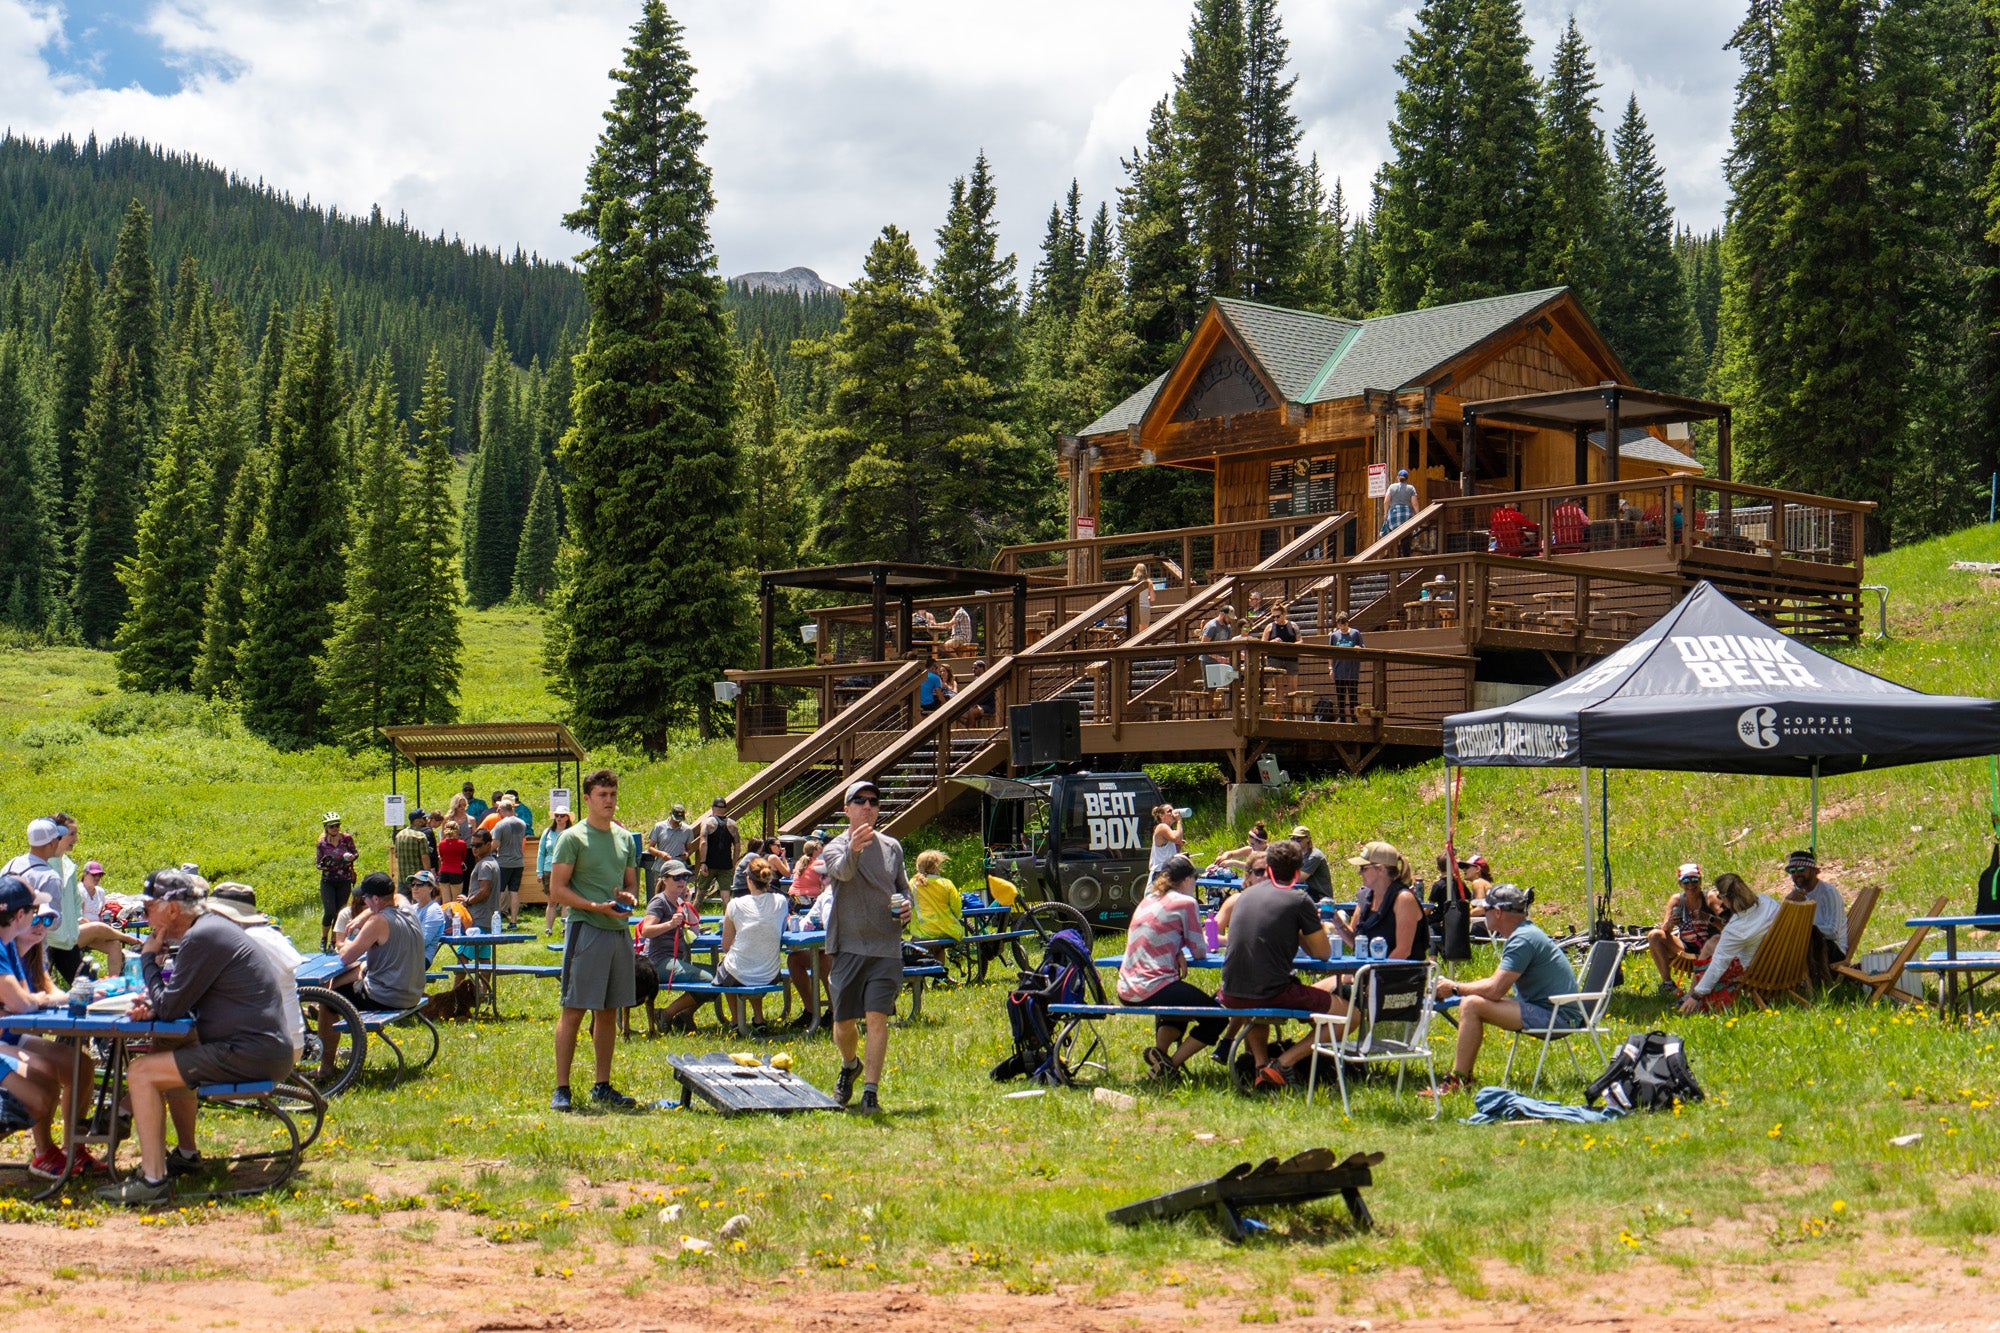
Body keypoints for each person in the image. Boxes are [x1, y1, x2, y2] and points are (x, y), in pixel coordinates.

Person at [99, 871, 295, 1206]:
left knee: (141, 1073)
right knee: (176, 1049)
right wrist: (156, 1004)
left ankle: (153, 1181)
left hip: (250, 1053)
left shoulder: (201, 937)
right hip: (263, 1049)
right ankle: (183, 1155)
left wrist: (148, 958)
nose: (145, 916)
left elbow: (170, 1008)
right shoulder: (209, 930)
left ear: (173, 910)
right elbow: (175, 1002)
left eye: (148, 908)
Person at [546, 767, 640, 1112]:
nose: (609, 801)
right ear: (587, 799)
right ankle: (562, 1088)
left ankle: (602, 1085)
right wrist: (594, 906)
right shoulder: (572, 838)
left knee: (608, 1011)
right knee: (574, 1009)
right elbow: (557, 891)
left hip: (617, 931)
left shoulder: (625, 838)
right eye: (602, 795)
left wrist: (628, 897)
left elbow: (631, 884)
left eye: (613, 794)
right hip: (585, 929)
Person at [1215, 839, 1344, 1089]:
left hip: (1231, 991)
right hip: (1270, 991)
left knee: (1255, 1004)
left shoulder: (1243, 897)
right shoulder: (1299, 899)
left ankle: (1261, 1067)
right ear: (1297, 872)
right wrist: (1306, 928)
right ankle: (1283, 1063)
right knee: (1349, 1015)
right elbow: (1322, 953)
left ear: (1269, 868)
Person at [1428, 884, 1578, 1096]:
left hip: (1558, 1017)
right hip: (1552, 1009)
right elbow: (1495, 986)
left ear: (1497, 912)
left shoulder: (1522, 939)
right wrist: (1458, 988)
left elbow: (1495, 990)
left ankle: (1459, 1079)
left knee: (1471, 1005)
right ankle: (1461, 1078)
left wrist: (1453, 988)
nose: (1482, 914)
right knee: (1472, 1001)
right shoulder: (1525, 933)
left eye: (1485, 909)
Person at [819, 780, 914, 1113]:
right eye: (859, 801)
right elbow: (842, 873)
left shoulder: (892, 846)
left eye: (873, 801)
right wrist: (855, 848)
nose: (868, 806)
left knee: (877, 1017)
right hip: (848, 945)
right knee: (844, 1021)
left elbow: (903, 888)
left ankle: (870, 1093)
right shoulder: (834, 847)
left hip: (886, 946)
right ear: (847, 809)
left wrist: (907, 905)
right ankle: (850, 1065)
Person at [0, 876, 98, 1180]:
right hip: (7, 1038)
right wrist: (30, 1001)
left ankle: (69, 1148)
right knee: (42, 1087)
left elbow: (27, 999)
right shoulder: (5, 946)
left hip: (10, 1035)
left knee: (79, 1066)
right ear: (20, 915)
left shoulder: (11, 948)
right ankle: (45, 1152)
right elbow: (23, 1003)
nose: (40, 922)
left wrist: (31, 1000)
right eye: (36, 913)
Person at [1117, 855, 1222, 1081]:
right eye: (1195, 879)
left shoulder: (1148, 900)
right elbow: (1199, 951)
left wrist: (1176, 951)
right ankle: (1170, 1066)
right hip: (1153, 986)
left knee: (1179, 1002)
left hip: (1126, 987)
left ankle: (1159, 1056)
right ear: (1186, 880)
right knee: (1217, 1017)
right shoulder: (1185, 903)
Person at [315, 873, 427, 1080]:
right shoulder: (407, 910)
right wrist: (362, 916)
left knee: (329, 999)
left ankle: (326, 1068)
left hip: (388, 997)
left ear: (375, 899)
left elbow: (346, 957)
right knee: (348, 979)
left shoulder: (378, 921)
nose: (363, 902)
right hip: (412, 993)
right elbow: (399, 896)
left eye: (365, 898)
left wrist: (344, 944)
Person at [1680, 873, 1780, 1014]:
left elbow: (1719, 964)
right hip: (1780, 959)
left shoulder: (1736, 929)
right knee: (1715, 940)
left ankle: (1691, 995)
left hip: (1755, 969)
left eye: (1720, 897)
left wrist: (1697, 996)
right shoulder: (1768, 902)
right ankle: (1691, 992)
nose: (1720, 901)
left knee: (1711, 948)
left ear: (1726, 898)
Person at [716, 857, 787, 1028]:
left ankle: (735, 1020)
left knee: (727, 964)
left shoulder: (735, 905)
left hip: (738, 973)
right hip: (769, 974)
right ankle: (759, 1019)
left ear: (748, 880)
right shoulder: (781, 901)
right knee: (755, 957)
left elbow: (726, 945)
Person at [643, 860, 711, 1032]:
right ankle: (666, 1014)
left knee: (720, 976)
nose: (682, 881)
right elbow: (646, 930)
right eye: (677, 877)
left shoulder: (679, 902)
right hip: (657, 963)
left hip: (673, 960)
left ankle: (684, 1015)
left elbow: (695, 931)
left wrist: (687, 903)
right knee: (709, 980)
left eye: (685, 877)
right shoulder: (659, 902)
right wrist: (670, 924)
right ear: (665, 879)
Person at [1338, 841, 1428, 959]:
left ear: (1381, 869)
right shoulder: (1364, 897)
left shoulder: (1404, 900)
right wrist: (1337, 922)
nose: (1359, 873)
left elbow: (1403, 951)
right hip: (1368, 968)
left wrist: (1373, 969)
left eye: (1363, 868)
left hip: (1400, 969)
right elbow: (1356, 943)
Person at [1648, 864, 1723, 998]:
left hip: (1712, 947)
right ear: (1680, 883)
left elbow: (1728, 925)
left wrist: (1708, 918)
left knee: (1715, 940)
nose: (1690, 885)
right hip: (1685, 946)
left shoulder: (1710, 898)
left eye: (1694, 880)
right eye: (1686, 881)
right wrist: (1670, 923)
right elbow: (1665, 929)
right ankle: (1667, 984)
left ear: (1700, 881)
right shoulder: (1677, 900)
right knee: (1654, 935)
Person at [1782, 850, 1848, 965]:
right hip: (1809, 945)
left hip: (1832, 949)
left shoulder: (1828, 893)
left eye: (1801, 869)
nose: (1796, 874)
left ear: (1813, 871)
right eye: (1792, 871)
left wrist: (1806, 928)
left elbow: (1833, 933)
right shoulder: (1796, 894)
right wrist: (1787, 904)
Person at [315, 813, 358, 950]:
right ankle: (324, 937)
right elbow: (318, 863)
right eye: (332, 826)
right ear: (326, 828)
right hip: (328, 880)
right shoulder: (322, 843)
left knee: (340, 912)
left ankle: (334, 941)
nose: (335, 828)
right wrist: (324, 865)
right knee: (329, 911)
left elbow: (355, 852)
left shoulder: (346, 839)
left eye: (337, 825)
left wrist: (351, 857)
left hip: (344, 879)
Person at [906, 849, 964, 945]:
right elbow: (956, 908)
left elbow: (908, 905)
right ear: (937, 867)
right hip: (947, 931)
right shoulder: (947, 884)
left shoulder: (913, 884)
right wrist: (957, 918)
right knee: (940, 949)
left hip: (922, 933)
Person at [693, 798, 740, 906]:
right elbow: (737, 847)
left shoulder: (707, 823)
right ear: (725, 809)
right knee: (726, 897)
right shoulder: (733, 824)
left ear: (712, 808)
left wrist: (703, 862)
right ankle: (727, 917)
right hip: (726, 865)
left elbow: (703, 843)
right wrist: (733, 863)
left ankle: (692, 917)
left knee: (700, 895)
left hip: (709, 864)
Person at [492, 799, 528, 929]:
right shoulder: (522, 824)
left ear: (502, 810)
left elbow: (495, 844)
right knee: (514, 891)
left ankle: (497, 920)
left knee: (499, 891)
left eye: (499, 811)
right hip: (518, 862)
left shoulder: (500, 825)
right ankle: (513, 921)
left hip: (504, 862)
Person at [539, 811, 574, 936]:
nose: (559, 818)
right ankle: (548, 929)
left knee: (566, 901)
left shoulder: (572, 833)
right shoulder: (547, 832)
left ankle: (565, 928)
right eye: (557, 815)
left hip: (567, 868)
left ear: (567, 818)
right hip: (549, 869)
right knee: (551, 901)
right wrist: (539, 871)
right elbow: (541, 853)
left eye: (562, 815)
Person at [647, 804, 695, 893]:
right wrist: (661, 854)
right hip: (661, 868)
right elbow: (650, 848)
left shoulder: (687, 830)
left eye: (679, 820)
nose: (677, 822)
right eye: (675, 819)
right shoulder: (659, 827)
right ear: (670, 814)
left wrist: (687, 854)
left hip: (679, 870)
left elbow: (690, 848)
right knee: (660, 895)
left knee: (678, 895)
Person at [463, 829, 501, 935]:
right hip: (488, 920)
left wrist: (467, 902)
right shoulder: (492, 862)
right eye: (472, 845)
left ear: (488, 845)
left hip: (479, 919)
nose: (474, 848)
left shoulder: (485, 865)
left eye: (478, 845)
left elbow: (484, 891)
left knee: (468, 947)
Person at [1328, 613, 1363, 722]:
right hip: (1339, 670)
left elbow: (1362, 646)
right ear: (1337, 625)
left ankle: (1354, 718)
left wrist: (1358, 648)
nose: (1343, 627)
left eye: (1344, 624)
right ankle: (1342, 718)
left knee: (1353, 696)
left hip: (1352, 670)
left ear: (1348, 623)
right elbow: (1330, 653)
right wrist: (1331, 668)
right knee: (1340, 696)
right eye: (1340, 625)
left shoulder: (1355, 633)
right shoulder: (1334, 636)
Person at [1290, 827, 1334, 903]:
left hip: (1320, 898)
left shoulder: (1314, 856)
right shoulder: (1298, 855)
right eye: (1293, 839)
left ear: (1308, 839)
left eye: (1299, 839)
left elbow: (1299, 879)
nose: (1295, 842)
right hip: (1308, 894)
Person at [393, 813, 432, 890]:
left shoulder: (399, 835)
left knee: (403, 898)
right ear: (417, 821)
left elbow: (396, 855)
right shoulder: (420, 836)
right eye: (423, 818)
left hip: (402, 878)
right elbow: (424, 857)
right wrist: (428, 875)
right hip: (417, 879)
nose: (426, 820)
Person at [1262, 602, 1300, 677]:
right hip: (1275, 658)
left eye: (1278, 616)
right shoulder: (1269, 626)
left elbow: (1300, 640)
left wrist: (1290, 645)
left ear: (1284, 614)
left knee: (1292, 683)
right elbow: (1263, 643)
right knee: (1278, 683)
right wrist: (1272, 642)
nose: (1275, 619)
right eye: (1273, 617)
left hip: (1291, 658)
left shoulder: (1293, 625)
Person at [437, 817, 469, 903]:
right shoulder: (462, 843)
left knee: (445, 901)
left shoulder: (441, 844)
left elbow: (441, 857)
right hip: (456, 872)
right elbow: (463, 857)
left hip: (444, 872)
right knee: (456, 901)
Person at [1149, 805, 1185, 876]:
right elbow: (1177, 839)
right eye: (1169, 811)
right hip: (1160, 871)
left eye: (1173, 810)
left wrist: (1178, 846)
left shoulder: (1170, 831)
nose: (1172, 813)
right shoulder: (1161, 827)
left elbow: (1176, 844)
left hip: (1169, 869)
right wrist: (1179, 821)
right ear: (1161, 815)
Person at [1382, 468, 1418, 534]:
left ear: (1397, 478)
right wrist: (1417, 515)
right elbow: (1415, 504)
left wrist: (1385, 514)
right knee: (1407, 533)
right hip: (1406, 515)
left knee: (1391, 532)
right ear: (1407, 479)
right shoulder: (1411, 488)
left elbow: (1386, 501)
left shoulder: (1391, 487)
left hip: (1394, 515)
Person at [1129, 562, 1154, 628]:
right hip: (1145, 607)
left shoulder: (1131, 582)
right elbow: (1153, 598)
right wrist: (1147, 597)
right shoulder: (1149, 582)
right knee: (1144, 630)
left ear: (1135, 570)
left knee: (1134, 629)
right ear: (1145, 571)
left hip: (1134, 608)